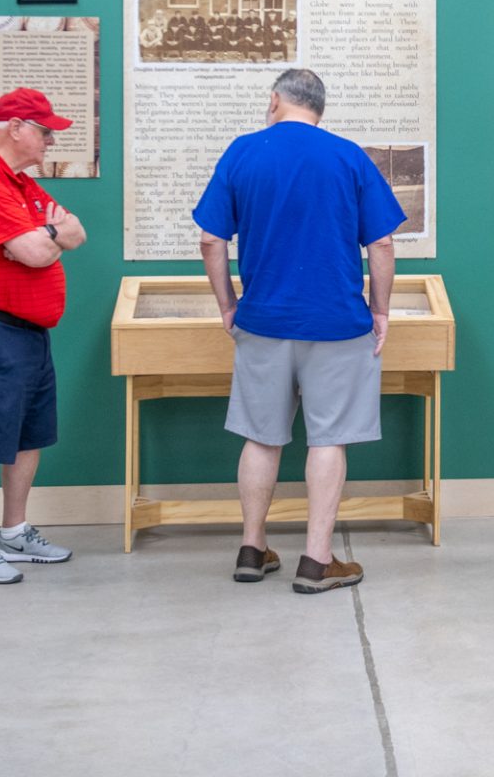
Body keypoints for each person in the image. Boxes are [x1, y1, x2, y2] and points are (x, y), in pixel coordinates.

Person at [196, 69, 404, 594]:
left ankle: (252, 548)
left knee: (261, 437)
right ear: (319, 108)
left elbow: (210, 239)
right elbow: (381, 244)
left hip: (263, 320)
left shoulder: (243, 152)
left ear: (275, 101)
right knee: (328, 438)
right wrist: (380, 310)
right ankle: (316, 560)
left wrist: (228, 305)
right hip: (337, 322)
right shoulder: (348, 156)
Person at [0, 88, 88, 584]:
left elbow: (76, 231)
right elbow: (33, 252)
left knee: (29, 436)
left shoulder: (19, 183)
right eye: (45, 131)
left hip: (27, 331)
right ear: (15, 128)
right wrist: (46, 237)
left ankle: (14, 531)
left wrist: (46, 236)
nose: (51, 141)